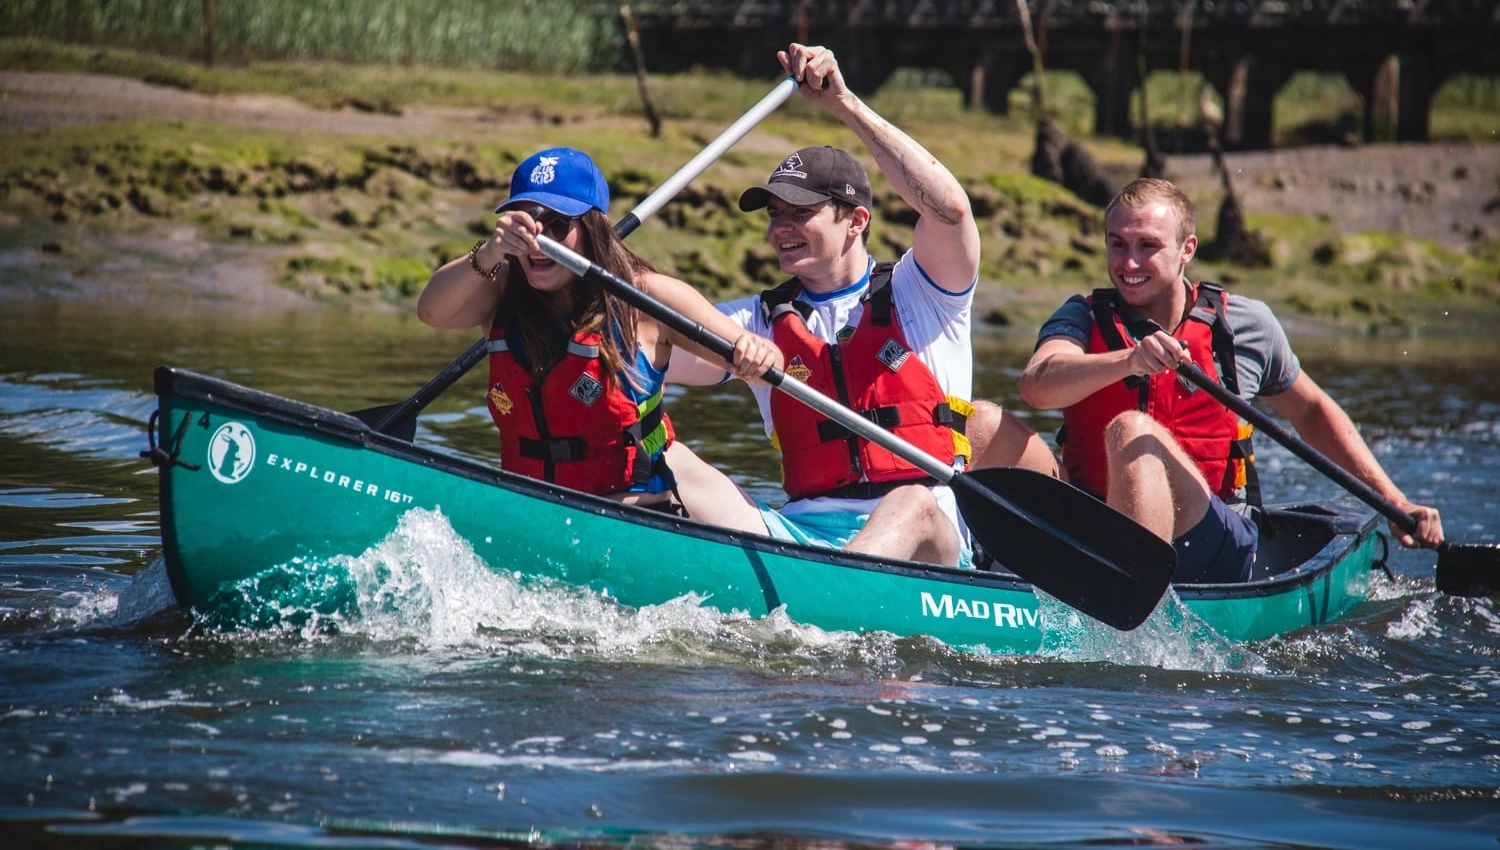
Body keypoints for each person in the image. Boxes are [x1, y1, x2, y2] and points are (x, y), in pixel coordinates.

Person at [668, 42, 1055, 568]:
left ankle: (832, 591)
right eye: (774, 214)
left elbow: (948, 209)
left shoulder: (925, 292)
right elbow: (648, 347)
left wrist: (844, 104)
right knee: (674, 462)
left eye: (800, 212)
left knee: (911, 500)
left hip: (925, 541)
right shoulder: (754, 323)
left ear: (856, 221)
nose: (780, 228)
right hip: (799, 538)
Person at [1018, 176, 1444, 583]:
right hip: (1095, 525)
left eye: (1147, 246)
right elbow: (1038, 385)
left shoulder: (1244, 324)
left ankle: (1130, 598)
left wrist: (1395, 502)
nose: (1129, 262)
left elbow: (1311, 411)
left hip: (1211, 539)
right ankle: (972, 574)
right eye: (1117, 244)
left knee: (1132, 430)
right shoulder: (1081, 314)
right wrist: (1129, 361)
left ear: (1187, 249)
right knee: (981, 422)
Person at [416, 146, 782, 524]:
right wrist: (491, 251)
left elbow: (760, 358)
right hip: (531, 503)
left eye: (559, 224)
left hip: (632, 510)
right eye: (528, 222)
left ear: (595, 228)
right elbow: (431, 311)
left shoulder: (647, 298)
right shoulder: (500, 287)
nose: (540, 241)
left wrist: (758, 353)